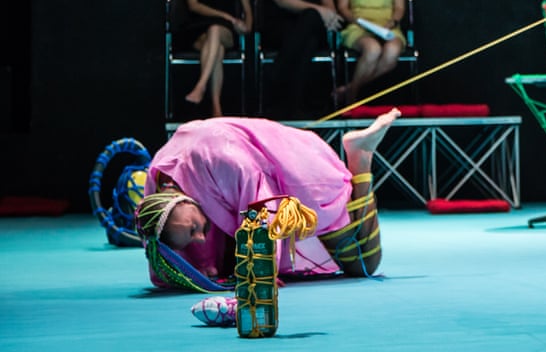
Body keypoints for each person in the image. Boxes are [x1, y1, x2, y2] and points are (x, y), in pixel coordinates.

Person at [134, 110, 399, 290]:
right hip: (243, 167)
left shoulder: (225, 162)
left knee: (364, 263)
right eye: (191, 238)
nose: (200, 239)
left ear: (183, 200)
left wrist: (263, 269)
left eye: (194, 230)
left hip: (294, 169)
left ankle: (360, 157)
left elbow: (264, 206)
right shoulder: (157, 192)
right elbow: (163, 246)